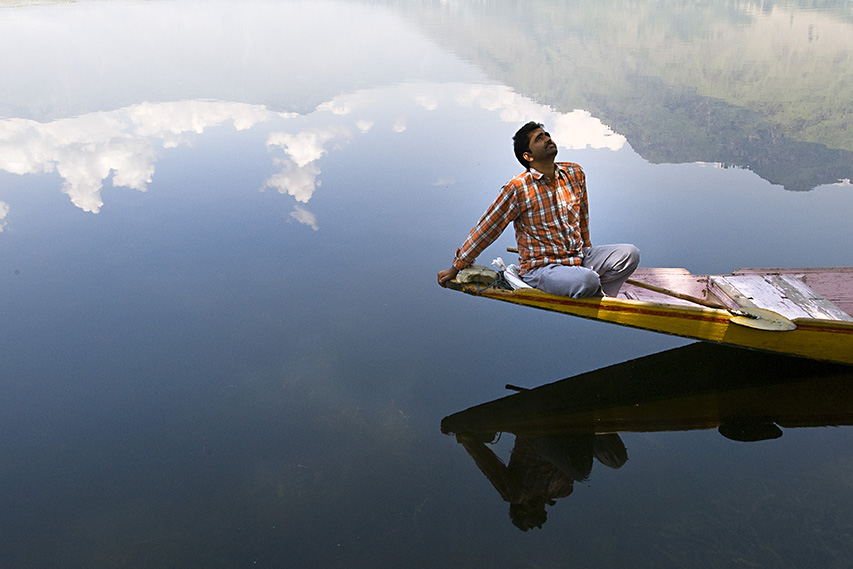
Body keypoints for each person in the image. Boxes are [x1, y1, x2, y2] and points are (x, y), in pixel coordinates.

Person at [437, 121, 639, 297]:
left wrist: (587, 246)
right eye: (539, 139)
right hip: (542, 268)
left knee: (630, 253)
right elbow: (487, 229)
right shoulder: (518, 188)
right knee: (587, 281)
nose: (548, 139)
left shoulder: (575, 173)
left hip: (578, 257)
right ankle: (589, 286)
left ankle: (602, 294)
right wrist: (457, 267)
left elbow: (582, 217)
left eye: (547, 135)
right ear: (528, 156)